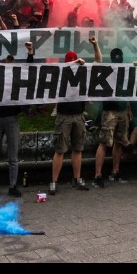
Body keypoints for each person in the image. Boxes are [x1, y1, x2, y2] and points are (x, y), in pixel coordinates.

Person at [47, 36, 102, 195]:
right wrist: (74, 63)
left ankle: (77, 179)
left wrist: (95, 45)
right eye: (70, 61)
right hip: (63, 116)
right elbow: (56, 69)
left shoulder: (83, 72)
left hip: (78, 115)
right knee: (60, 150)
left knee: (78, 149)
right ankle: (54, 181)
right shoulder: (60, 73)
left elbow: (98, 62)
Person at [0, 47, 29, 198]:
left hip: (8, 120)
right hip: (0, 121)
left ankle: (10, 186)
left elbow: (32, 71)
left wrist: (30, 54)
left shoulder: (17, 82)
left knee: (11, 157)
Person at [92, 47, 133, 188]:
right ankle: (98, 175)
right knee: (104, 142)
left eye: (119, 56)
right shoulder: (107, 69)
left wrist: (128, 109)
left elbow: (126, 90)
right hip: (109, 110)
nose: (118, 58)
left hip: (122, 110)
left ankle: (115, 171)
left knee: (119, 141)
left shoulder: (124, 70)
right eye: (115, 56)